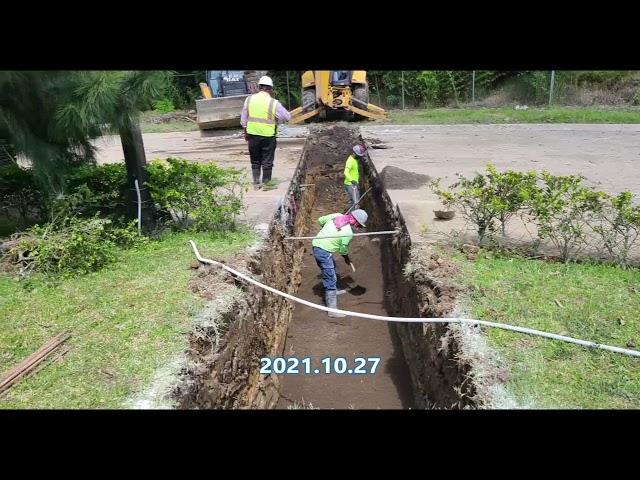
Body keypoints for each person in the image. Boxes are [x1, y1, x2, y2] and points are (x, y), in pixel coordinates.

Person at [311, 209, 368, 317]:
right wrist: (347, 258)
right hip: (324, 252)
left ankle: (334, 290)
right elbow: (342, 250)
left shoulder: (337, 215)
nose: (358, 227)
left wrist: (327, 232)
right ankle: (332, 310)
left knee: (332, 267)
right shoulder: (348, 233)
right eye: (359, 225)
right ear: (355, 221)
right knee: (330, 278)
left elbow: (320, 220)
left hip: (316, 246)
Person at [240, 75, 291, 190]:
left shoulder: (249, 99)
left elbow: (243, 120)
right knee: (267, 161)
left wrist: (246, 132)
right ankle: (267, 185)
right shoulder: (273, 103)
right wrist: (278, 119)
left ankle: (256, 184)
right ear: (270, 89)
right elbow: (287, 116)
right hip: (268, 136)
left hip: (252, 134)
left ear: (259, 87)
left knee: (255, 160)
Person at [344, 144, 366, 209]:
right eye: (359, 155)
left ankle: (351, 214)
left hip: (352, 184)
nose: (360, 157)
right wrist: (352, 180)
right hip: (351, 185)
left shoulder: (354, 160)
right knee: (355, 202)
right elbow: (345, 172)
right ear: (355, 154)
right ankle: (354, 216)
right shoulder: (350, 161)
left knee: (352, 201)